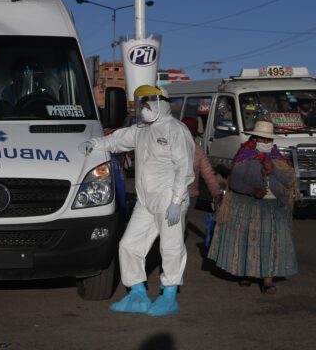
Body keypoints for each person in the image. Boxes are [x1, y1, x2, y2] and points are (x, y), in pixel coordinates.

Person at [79, 85, 195, 316]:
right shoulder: (140, 130)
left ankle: (169, 294)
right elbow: (117, 141)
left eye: (148, 102)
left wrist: (176, 200)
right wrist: (94, 144)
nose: (144, 107)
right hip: (145, 201)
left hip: (168, 200)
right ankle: (137, 293)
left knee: (170, 247)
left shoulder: (176, 130)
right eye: (141, 102)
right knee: (129, 245)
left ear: (162, 102)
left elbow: (184, 168)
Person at [207, 120, 298, 294]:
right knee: (249, 242)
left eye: (268, 140)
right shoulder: (245, 157)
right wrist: (252, 191)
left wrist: (273, 170)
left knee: (271, 244)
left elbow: (289, 180)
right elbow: (234, 182)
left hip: (274, 207)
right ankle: (247, 275)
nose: (265, 143)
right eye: (262, 139)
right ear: (255, 138)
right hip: (249, 205)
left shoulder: (278, 159)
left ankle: (267, 281)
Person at [181, 116, 222, 209]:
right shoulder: (170, 147)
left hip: (187, 196)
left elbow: (208, 174)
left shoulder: (198, 151)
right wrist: (216, 193)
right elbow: (208, 174)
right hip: (175, 195)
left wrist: (216, 193)